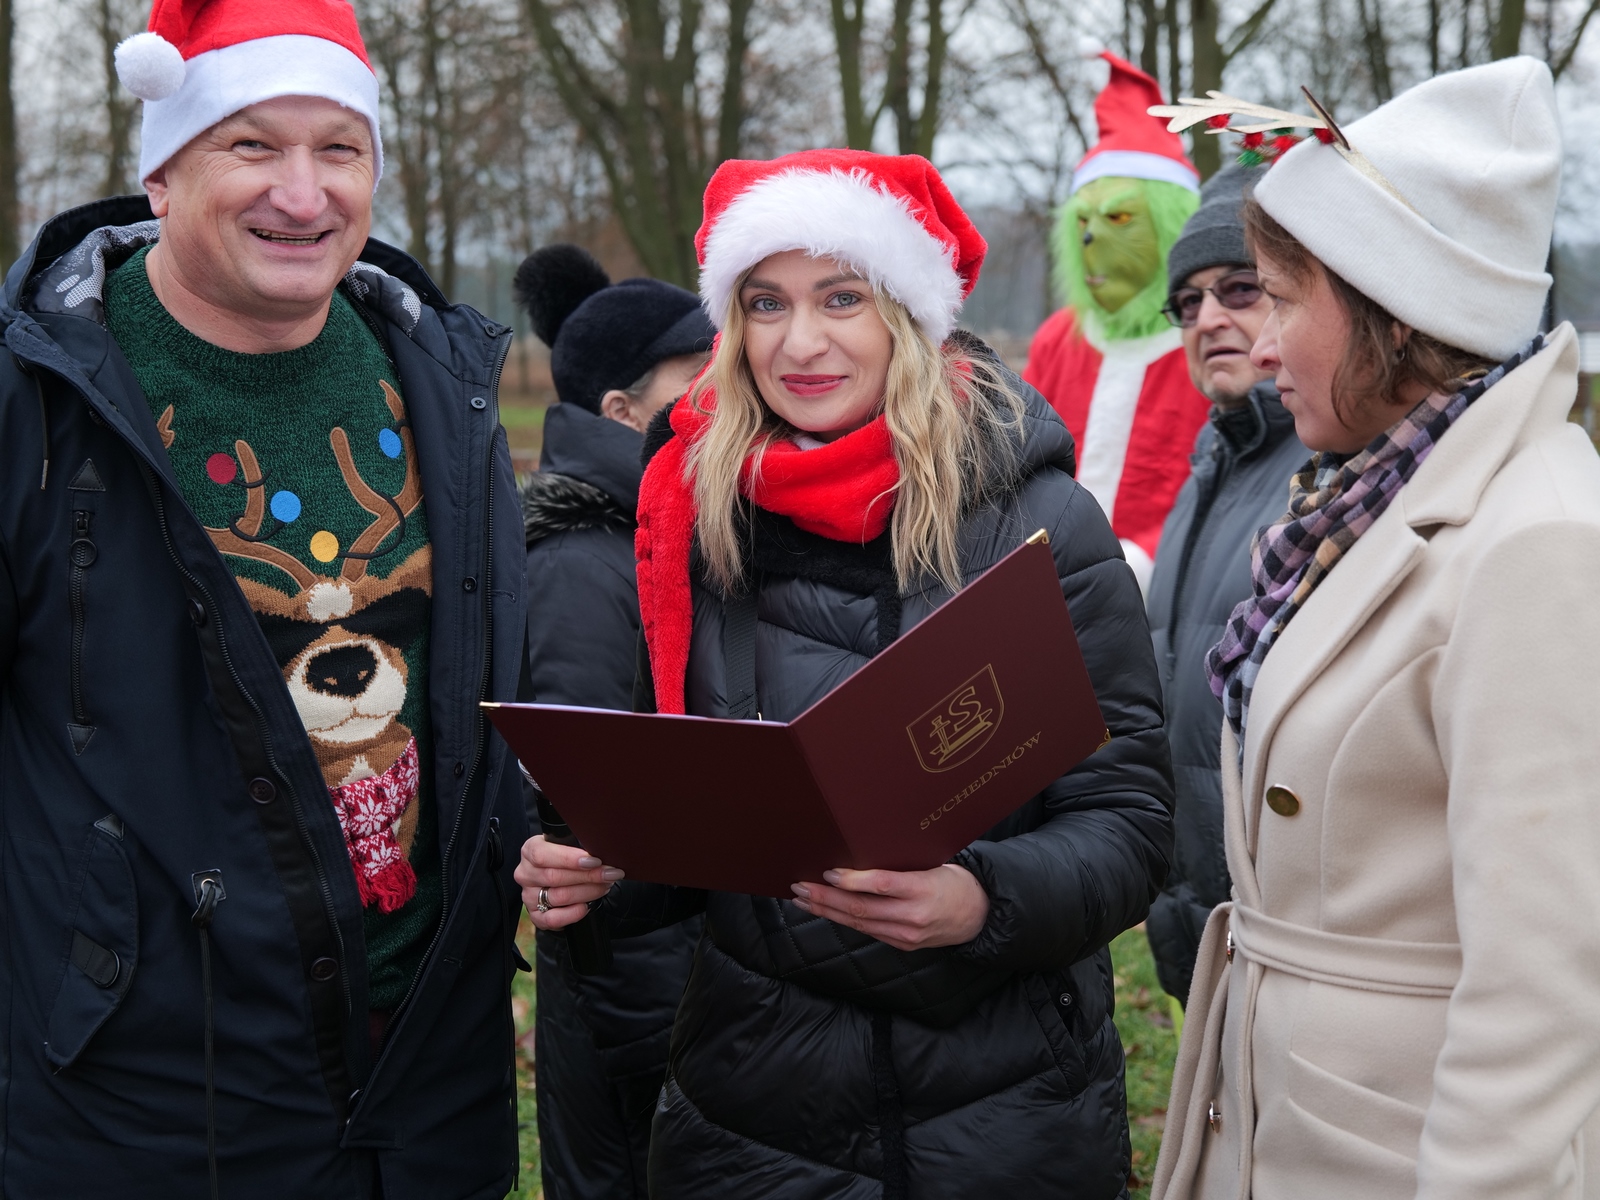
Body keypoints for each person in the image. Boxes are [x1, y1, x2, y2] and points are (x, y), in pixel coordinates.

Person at [516, 148, 1174, 1198]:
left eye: (840, 298)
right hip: (752, 1113)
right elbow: (694, 817)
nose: (800, 342)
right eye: (766, 303)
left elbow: (1130, 820)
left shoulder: (1038, 520)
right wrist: (606, 864)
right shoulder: (696, 517)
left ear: (905, 314)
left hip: (1005, 1110)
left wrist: (983, 899)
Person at [0, 0, 527, 1194]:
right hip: (148, 1096)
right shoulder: (40, 398)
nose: (303, 192)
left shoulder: (446, 382)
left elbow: (486, 688)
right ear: (162, 175)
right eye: (252, 145)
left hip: (433, 1083)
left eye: (339, 148)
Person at [1153, 58, 1600, 1200]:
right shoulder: (1361, 498)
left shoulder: (1538, 538)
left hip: (1394, 1152)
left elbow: (1545, 984)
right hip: (1283, 1121)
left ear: (1395, 312)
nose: (1256, 346)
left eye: (1279, 297)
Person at [513, 243, 711, 1200]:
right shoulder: (584, 563)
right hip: (637, 1008)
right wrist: (652, 1029)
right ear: (624, 412)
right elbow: (586, 815)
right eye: (699, 375)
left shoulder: (670, 529)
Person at [1143, 164, 1307, 1010]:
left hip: (1291, 942)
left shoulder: (1336, 476)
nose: (1208, 318)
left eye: (1240, 288)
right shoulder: (1214, 462)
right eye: (1187, 301)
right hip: (1201, 931)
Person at [1023, 49, 1209, 591]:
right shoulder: (1060, 339)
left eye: (1120, 217)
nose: (1091, 238)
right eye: (1082, 219)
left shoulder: (1208, 343)